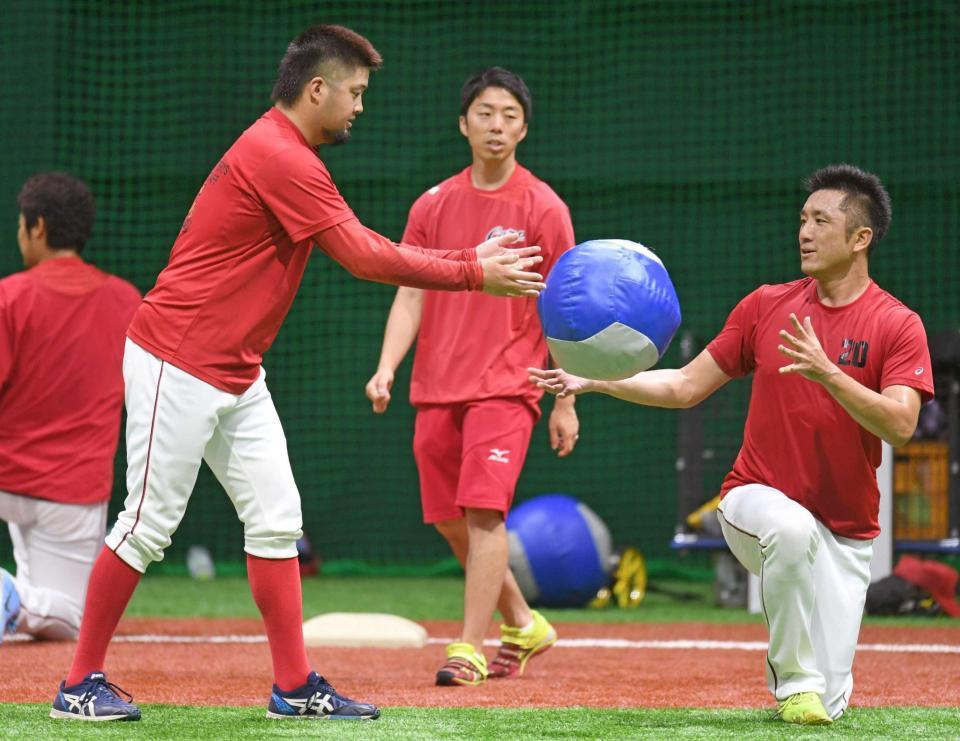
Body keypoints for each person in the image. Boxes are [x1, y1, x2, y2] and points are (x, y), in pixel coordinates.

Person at [50, 25, 545, 723]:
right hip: (178, 357)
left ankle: (294, 685)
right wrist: (473, 270)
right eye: (356, 93)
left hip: (235, 370)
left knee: (277, 521)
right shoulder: (280, 157)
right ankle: (78, 684)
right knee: (145, 524)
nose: (360, 108)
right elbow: (366, 255)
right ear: (319, 90)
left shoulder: (287, 151)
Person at [530, 164, 933, 725]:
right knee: (789, 532)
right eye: (802, 219)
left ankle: (812, 686)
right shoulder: (767, 305)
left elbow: (901, 425)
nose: (805, 232)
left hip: (846, 529)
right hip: (753, 500)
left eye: (821, 220)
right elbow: (684, 385)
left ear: (861, 238)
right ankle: (792, 683)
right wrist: (594, 381)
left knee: (834, 704)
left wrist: (829, 373)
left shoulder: (897, 324)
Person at [365, 67, 577, 687]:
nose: (496, 125)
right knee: (445, 516)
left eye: (509, 115)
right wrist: (386, 367)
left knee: (485, 512)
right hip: (435, 386)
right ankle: (524, 622)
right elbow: (410, 292)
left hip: (510, 383)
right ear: (463, 123)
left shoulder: (544, 208)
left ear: (524, 128)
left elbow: (561, 308)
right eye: (485, 112)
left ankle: (469, 647)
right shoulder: (432, 205)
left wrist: (565, 400)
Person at [0, 173, 140, 644]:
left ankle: (11, 597)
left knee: (35, 615)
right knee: (73, 621)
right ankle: (11, 597)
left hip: (5, 477)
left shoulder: (9, 297)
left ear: (37, 227)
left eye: (21, 225)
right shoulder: (126, 301)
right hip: (72, 491)